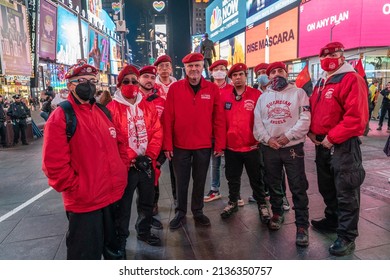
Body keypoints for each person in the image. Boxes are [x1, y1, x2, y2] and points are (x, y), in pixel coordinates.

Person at [42, 61, 128, 260]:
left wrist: (121, 170)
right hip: (85, 204)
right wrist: (78, 189)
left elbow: (120, 144)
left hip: (112, 197)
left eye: (92, 80)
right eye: (81, 80)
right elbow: (53, 166)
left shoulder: (103, 112)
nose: (88, 84)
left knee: (114, 253)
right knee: (85, 257)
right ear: (70, 85)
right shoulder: (62, 116)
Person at [308, 42, 368, 256]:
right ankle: (332, 220)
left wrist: (331, 138)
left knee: (346, 192)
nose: (329, 58)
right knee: (327, 187)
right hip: (322, 144)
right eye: (325, 55)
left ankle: (346, 236)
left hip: (342, 146)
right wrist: (311, 131)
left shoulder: (351, 79)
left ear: (343, 56)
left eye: (334, 54)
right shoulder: (322, 81)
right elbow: (316, 110)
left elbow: (356, 119)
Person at [163, 52, 226, 229]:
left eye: (197, 65)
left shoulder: (212, 89)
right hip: (179, 145)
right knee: (181, 181)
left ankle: (198, 211)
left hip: (203, 145)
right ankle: (180, 212)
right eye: (190, 66)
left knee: (200, 180)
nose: (194, 69)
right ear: (185, 68)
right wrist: (167, 144)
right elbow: (167, 118)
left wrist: (219, 144)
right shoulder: (175, 88)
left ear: (202, 67)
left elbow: (219, 118)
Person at [107, 65, 163, 254]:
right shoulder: (111, 109)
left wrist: (149, 156)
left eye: (133, 80)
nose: (131, 84)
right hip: (126, 167)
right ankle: (121, 238)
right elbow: (112, 139)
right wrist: (131, 158)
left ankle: (144, 231)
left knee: (147, 202)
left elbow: (157, 131)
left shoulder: (147, 105)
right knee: (123, 206)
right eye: (126, 81)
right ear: (119, 83)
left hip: (146, 164)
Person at [253, 61, 311, 247]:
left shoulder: (298, 93)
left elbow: (305, 119)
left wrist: (288, 136)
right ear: (269, 77)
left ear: (286, 73)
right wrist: (267, 139)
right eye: (273, 72)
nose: (277, 74)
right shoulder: (263, 98)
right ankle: (277, 213)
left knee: (298, 186)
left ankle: (302, 225)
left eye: (280, 71)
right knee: (274, 184)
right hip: (270, 147)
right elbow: (258, 122)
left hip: (292, 147)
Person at [219, 63, 270, 223]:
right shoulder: (224, 95)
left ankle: (262, 204)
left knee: (257, 178)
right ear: (231, 78)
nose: (238, 78)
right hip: (231, 147)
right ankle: (233, 202)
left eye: (241, 74)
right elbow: (220, 121)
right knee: (232, 178)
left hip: (252, 146)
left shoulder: (257, 94)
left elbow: (264, 119)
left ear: (245, 76)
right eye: (235, 75)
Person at [137, 65, 165, 227]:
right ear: (139, 79)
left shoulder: (161, 101)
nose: (149, 80)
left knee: (153, 180)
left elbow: (165, 126)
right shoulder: (132, 99)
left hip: (156, 150)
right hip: (136, 151)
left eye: (152, 77)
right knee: (140, 186)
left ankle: (152, 212)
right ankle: (143, 219)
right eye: (146, 77)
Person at [203, 60, 232, 203]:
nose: (219, 71)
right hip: (211, 134)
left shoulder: (232, 90)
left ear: (226, 72)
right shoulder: (206, 89)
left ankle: (235, 193)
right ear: (211, 72)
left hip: (230, 133)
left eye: (222, 69)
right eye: (216, 69)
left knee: (233, 164)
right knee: (214, 163)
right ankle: (215, 189)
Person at [154, 55, 178, 205]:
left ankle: (177, 200)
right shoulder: (152, 86)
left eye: (167, 66)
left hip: (175, 134)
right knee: (154, 169)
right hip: (156, 135)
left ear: (171, 68)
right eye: (161, 66)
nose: (164, 69)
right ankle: (153, 202)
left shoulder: (179, 85)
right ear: (157, 69)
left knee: (176, 170)